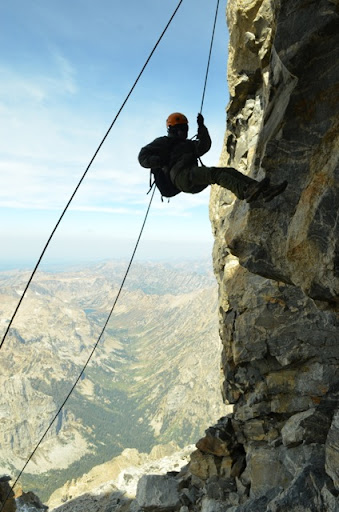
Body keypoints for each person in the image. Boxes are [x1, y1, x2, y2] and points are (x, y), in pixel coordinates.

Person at [138, 112, 287, 202]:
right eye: (182, 129)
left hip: (189, 176)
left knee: (229, 172)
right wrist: (159, 161)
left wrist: (202, 127)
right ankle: (247, 190)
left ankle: (263, 190)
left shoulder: (188, 145)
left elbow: (204, 146)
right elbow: (143, 156)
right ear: (174, 130)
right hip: (181, 177)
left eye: (186, 129)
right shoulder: (164, 142)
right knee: (215, 174)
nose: (185, 132)